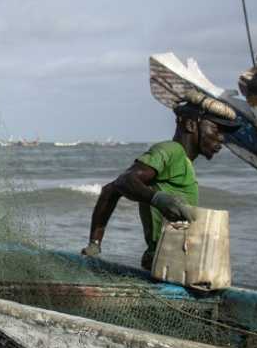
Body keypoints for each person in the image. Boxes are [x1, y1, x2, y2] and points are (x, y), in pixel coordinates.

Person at [82, 92, 240, 270]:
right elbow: (124, 181)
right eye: (216, 129)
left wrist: (95, 242)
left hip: (177, 263)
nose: (221, 138)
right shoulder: (171, 151)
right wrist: (158, 199)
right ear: (190, 124)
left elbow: (109, 191)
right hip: (166, 262)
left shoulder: (185, 162)